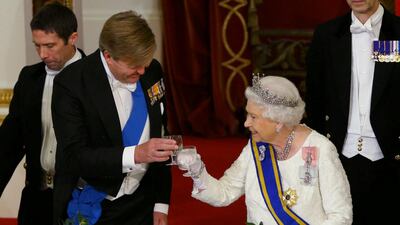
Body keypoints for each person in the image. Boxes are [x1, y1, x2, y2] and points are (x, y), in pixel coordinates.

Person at [51, 10, 176, 225]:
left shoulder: (152, 70)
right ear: (108, 56)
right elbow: (75, 156)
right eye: (134, 64)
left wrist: (161, 203)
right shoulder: (71, 84)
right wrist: (136, 154)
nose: (142, 70)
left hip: (143, 201)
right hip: (95, 204)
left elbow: (160, 135)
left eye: (145, 62)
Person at [177, 75, 352, 225]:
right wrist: (197, 172)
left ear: (278, 121)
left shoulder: (319, 148)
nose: (246, 123)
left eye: (253, 117)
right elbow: (225, 192)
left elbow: (340, 217)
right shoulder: (255, 147)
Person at [305, 0, 400, 224]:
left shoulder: (397, 32)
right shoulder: (326, 34)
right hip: (339, 156)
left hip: (391, 159)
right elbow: (315, 100)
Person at [0, 2, 83, 225]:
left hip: (80, 199)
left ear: (72, 38)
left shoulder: (95, 79)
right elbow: (8, 144)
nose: (42, 54)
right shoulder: (29, 78)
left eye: (50, 45)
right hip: (36, 198)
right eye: (37, 46)